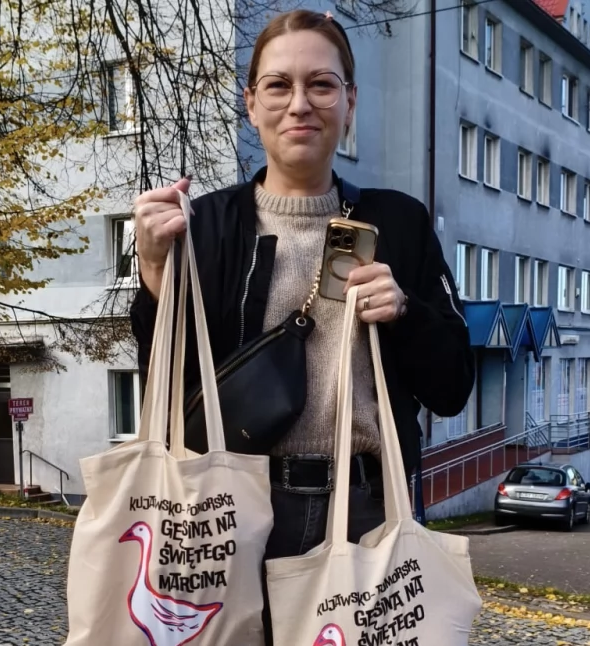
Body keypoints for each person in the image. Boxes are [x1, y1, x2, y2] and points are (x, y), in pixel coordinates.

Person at [128, 8, 474, 639]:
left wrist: (405, 312)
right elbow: (171, 387)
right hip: (234, 511)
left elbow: (452, 387)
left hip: (367, 510)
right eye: (279, 85)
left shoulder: (397, 222)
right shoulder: (206, 225)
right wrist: (155, 275)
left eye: (321, 84)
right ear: (251, 102)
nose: (300, 105)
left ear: (349, 101)